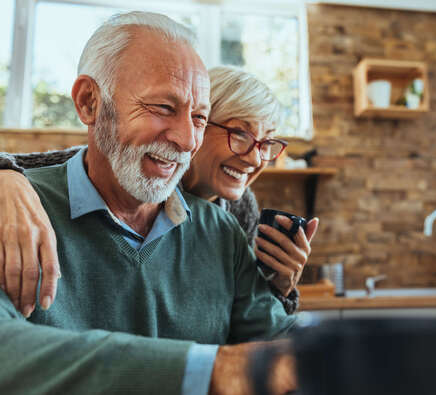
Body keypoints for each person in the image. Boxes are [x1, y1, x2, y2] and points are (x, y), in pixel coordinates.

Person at [0, 11, 298, 395]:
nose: (188, 139)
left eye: (200, 117)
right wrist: (209, 370)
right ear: (90, 103)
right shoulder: (14, 213)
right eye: (163, 108)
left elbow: (280, 342)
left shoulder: (224, 229)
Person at [0, 66, 318, 317]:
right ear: (197, 123)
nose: (253, 157)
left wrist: (281, 288)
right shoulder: (132, 170)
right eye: (240, 133)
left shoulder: (240, 209)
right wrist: (7, 178)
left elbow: (246, 322)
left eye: (266, 143)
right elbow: (37, 166)